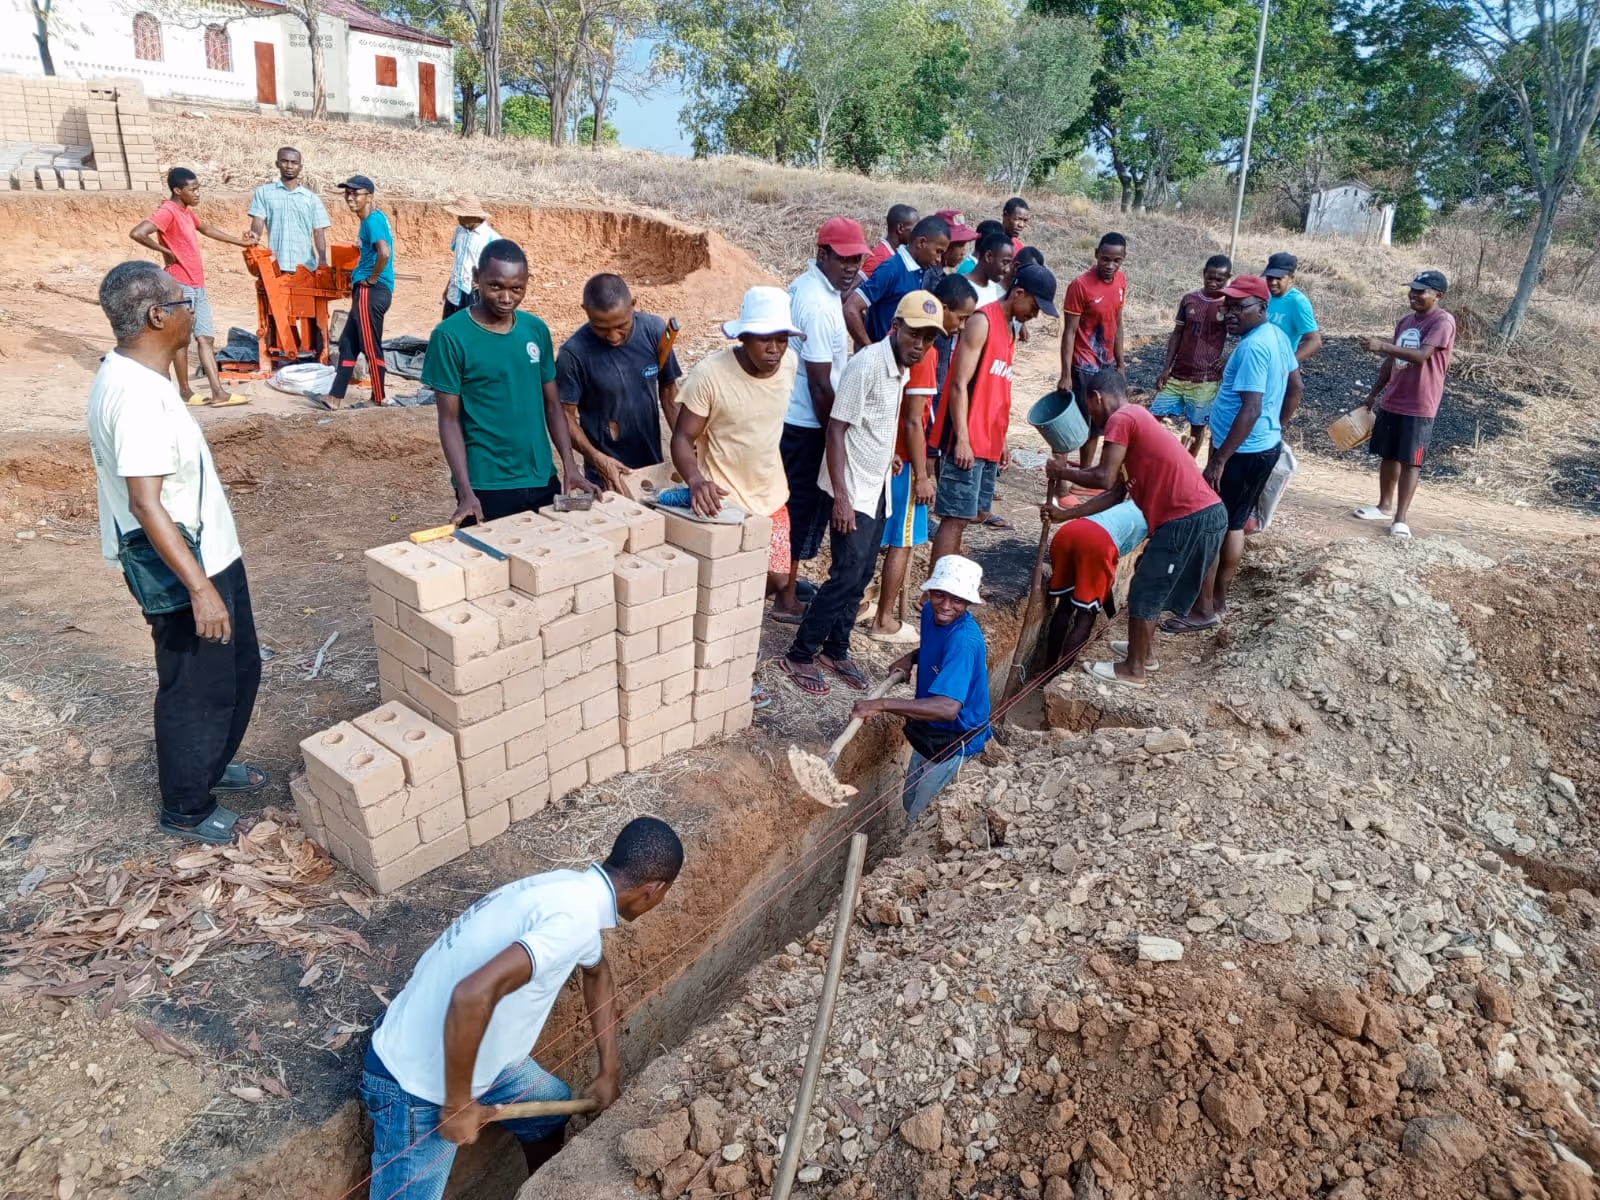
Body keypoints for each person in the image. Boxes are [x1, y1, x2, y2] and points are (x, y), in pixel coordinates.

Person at [361, 817, 683, 1200]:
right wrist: (458, 1105)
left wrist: (608, 1071)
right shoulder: (573, 920)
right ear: (653, 889)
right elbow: (470, 995)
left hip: (485, 1060)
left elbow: (597, 974)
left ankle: (540, 1191)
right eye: (664, 895)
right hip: (417, 1083)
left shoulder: (573, 892)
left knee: (551, 1110)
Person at [88, 261, 264, 844]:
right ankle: (187, 806)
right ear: (157, 316)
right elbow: (145, 503)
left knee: (237, 670)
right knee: (196, 687)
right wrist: (200, 589)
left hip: (207, 554)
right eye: (186, 302)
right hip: (183, 568)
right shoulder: (136, 397)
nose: (194, 312)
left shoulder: (140, 376)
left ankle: (210, 764)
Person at [779, 292, 944, 698]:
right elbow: (836, 430)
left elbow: (873, 422)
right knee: (846, 575)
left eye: (928, 338)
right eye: (914, 334)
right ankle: (800, 653)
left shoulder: (900, 368)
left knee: (863, 572)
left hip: (876, 484)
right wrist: (841, 498)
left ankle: (835, 650)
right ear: (895, 328)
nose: (920, 345)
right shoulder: (868, 365)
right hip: (851, 488)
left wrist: (888, 454)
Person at [1047, 368, 1226, 687]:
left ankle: (1134, 669)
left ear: (1096, 397)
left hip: (1188, 517)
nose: (1092, 417)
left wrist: (1063, 471)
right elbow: (1115, 492)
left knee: (1146, 589)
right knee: (1146, 576)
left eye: (1089, 407)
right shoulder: (1135, 423)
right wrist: (1066, 515)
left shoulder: (1122, 418)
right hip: (1194, 516)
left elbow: (1102, 477)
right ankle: (1144, 653)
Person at [424, 239, 595, 525]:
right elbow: (449, 420)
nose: (506, 298)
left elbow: (553, 406)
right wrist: (465, 491)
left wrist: (570, 465)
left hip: (541, 477)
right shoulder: (449, 337)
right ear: (477, 277)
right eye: (495, 286)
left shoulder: (535, 330)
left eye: (516, 289)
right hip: (486, 484)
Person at [1164, 275, 1301, 631]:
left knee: (1212, 526)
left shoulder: (1253, 348)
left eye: (1240, 307)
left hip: (1240, 452)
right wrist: (1276, 427)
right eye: (1228, 306)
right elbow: (1295, 386)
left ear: (1262, 308)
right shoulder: (1276, 335)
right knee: (1233, 523)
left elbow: (1250, 408)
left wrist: (1220, 460)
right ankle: (1219, 600)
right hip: (1261, 445)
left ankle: (1204, 609)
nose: (1230, 314)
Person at [672, 287, 802, 606]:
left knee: (777, 578)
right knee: (726, 583)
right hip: (723, 500)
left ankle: (736, 615)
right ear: (743, 337)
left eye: (782, 339)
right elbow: (682, 437)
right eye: (764, 339)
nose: (774, 349)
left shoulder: (790, 363)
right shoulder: (710, 375)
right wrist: (696, 480)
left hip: (770, 495)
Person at [869, 273, 978, 643]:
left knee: (878, 537)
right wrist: (923, 474)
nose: (961, 326)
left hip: (889, 454)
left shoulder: (895, 343)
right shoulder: (925, 354)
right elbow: (914, 420)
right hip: (903, 459)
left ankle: (866, 603)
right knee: (901, 541)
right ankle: (884, 620)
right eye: (960, 318)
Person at [929, 264, 1058, 565]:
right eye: (1035, 306)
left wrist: (1002, 440)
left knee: (968, 517)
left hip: (988, 441)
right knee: (954, 518)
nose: (1035, 314)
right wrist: (962, 439)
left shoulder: (1010, 330)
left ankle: (950, 580)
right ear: (1019, 293)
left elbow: (996, 389)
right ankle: (938, 585)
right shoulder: (982, 321)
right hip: (967, 440)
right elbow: (958, 384)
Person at [852, 554, 990, 826]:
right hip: (930, 730)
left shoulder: (964, 642)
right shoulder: (930, 613)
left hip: (956, 739)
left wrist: (881, 704)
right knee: (909, 800)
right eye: (939, 595)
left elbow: (947, 708)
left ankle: (912, 848)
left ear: (968, 602)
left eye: (957, 600)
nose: (946, 606)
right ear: (930, 592)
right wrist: (911, 657)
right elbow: (935, 647)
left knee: (920, 817)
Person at [775, 218, 868, 623]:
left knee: (798, 506)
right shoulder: (815, 303)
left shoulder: (814, 288)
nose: (851, 267)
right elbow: (819, 384)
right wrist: (836, 434)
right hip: (806, 423)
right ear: (822, 254)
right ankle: (785, 598)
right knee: (800, 508)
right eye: (844, 259)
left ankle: (786, 583)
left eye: (857, 259)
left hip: (798, 417)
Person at [129, 167, 258, 408]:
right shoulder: (168, 211)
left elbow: (206, 229)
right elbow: (138, 233)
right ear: (178, 191)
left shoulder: (186, 212)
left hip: (197, 284)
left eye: (198, 189)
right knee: (181, 340)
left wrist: (240, 242)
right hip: (179, 284)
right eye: (193, 189)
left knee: (205, 338)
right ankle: (185, 392)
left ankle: (218, 393)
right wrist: (165, 251)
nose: (198, 193)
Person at [556, 273, 684, 494]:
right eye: (601, 328)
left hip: (652, 467)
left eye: (622, 325)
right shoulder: (573, 354)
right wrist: (597, 459)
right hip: (605, 475)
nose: (613, 336)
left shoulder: (653, 331)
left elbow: (668, 388)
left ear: (632, 305)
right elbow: (563, 416)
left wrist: (684, 441)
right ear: (585, 310)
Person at [1353, 270, 1456, 539]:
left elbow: (1422, 355)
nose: (1414, 295)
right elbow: (1391, 362)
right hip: (1393, 398)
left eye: (1421, 291)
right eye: (1412, 289)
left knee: (1411, 461)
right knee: (1388, 455)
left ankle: (1400, 519)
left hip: (1420, 402)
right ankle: (1383, 506)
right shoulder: (1405, 322)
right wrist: (1374, 393)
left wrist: (1383, 346)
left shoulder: (1442, 322)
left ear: (1438, 295)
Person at [308, 175, 394, 410]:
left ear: (369, 196)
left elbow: (384, 252)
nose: (350, 197)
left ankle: (378, 398)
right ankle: (335, 397)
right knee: (348, 343)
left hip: (371, 291)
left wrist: (372, 279)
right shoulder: (374, 219)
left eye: (356, 193)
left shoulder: (372, 221)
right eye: (347, 193)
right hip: (369, 290)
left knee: (370, 345)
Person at [1039, 496, 1148, 678]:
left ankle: (1046, 671)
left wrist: (1111, 614)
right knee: (1086, 615)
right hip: (1098, 543)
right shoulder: (1151, 520)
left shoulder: (1127, 503)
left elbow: (1103, 582)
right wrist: (1110, 614)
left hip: (1069, 531)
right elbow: (1102, 578)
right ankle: (1060, 676)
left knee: (1064, 606)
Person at [1056, 233, 1128, 472]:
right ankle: (1067, 472)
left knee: (1101, 421)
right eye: (1105, 259)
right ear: (1096, 254)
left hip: (1106, 365)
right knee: (1081, 419)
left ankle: (1087, 472)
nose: (1110, 265)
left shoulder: (1121, 281)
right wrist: (1066, 374)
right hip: (1083, 365)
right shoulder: (1080, 285)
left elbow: (1117, 323)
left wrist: (1120, 362)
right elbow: (1069, 332)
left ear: (1123, 258)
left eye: (1116, 260)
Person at [1151, 254, 1232, 459]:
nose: (1213, 283)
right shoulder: (1189, 299)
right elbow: (1177, 334)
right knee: (1153, 418)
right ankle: (1151, 459)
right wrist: (1166, 369)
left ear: (1228, 278)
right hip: (1177, 375)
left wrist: (1229, 358)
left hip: (1205, 380)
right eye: (1210, 277)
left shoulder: (1228, 305)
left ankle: (1188, 465)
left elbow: (1243, 334)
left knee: (1197, 427)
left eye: (1219, 279)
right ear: (1203, 274)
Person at [844, 214, 950, 348]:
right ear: (921, 243)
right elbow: (851, 308)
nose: (939, 259)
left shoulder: (921, 270)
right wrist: (870, 349)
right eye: (938, 251)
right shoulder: (891, 269)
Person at [246, 146, 331, 274]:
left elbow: (318, 232)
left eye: (294, 162)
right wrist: (254, 239)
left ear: (300, 167)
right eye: (285, 161)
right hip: (276, 265)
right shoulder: (264, 193)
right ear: (277, 164)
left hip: (306, 267)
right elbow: (257, 223)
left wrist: (323, 260)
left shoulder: (311, 198)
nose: (289, 166)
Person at [442, 194, 499, 320]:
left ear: (474, 216)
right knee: (448, 327)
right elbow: (458, 262)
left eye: (462, 216)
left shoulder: (492, 238)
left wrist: (488, 284)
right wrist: (448, 286)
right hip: (454, 291)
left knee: (470, 327)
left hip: (474, 294)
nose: (458, 219)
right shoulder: (459, 231)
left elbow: (500, 270)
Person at [1264, 252, 1323, 365]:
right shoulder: (1264, 296)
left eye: (1279, 278)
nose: (1273, 282)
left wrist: (1288, 365)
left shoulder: (1297, 301)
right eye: (1269, 278)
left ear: (1291, 278)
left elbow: (1314, 341)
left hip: (1278, 365)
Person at [861, 204, 919, 280]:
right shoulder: (879, 258)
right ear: (900, 228)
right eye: (915, 229)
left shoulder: (891, 254)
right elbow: (856, 286)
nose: (918, 233)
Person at [966, 230, 1016, 307]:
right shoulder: (962, 288)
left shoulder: (996, 291)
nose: (1007, 270)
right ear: (988, 256)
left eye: (1010, 264)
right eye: (1005, 262)